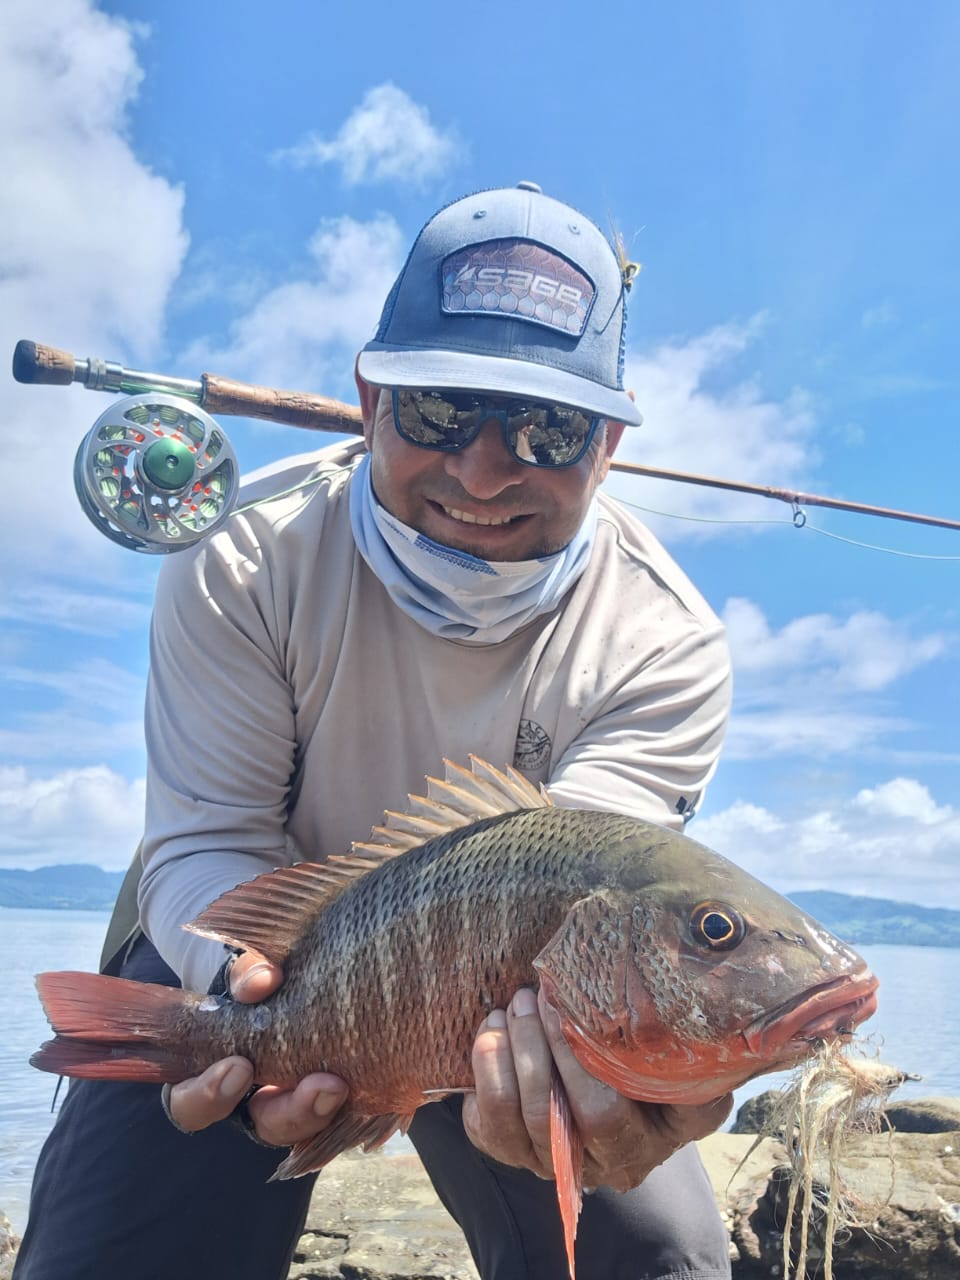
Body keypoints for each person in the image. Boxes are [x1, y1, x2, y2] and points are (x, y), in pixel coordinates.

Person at [15, 182, 734, 1280]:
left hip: (496, 1001)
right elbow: (205, 834)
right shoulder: (245, 554)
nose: (485, 472)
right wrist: (253, 994)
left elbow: (598, 892)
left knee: (661, 1252)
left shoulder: (665, 644)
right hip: (235, 952)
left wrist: (614, 1074)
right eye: (439, 410)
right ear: (368, 397)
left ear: (612, 445)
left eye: (550, 427)